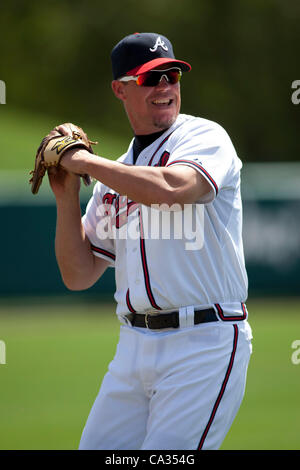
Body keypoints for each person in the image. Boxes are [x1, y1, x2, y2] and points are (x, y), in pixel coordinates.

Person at [47, 32, 252, 450]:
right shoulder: (116, 172)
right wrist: (66, 191)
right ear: (120, 89)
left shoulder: (204, 137)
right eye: (150, 78)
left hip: (203, 342)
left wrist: (81, 160)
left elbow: (174, 187)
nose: (165, 87)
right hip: (132, 347)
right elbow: (78, 273)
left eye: (171, 75)